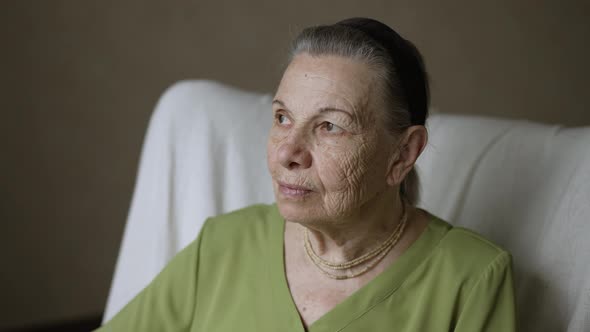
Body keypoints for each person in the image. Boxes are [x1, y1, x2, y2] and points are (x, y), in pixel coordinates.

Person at [97, 17, 517, 331]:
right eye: (282, 117)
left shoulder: (471, 279)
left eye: (329, 126)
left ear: (402, 154)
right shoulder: (221, 245)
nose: (287, 152)